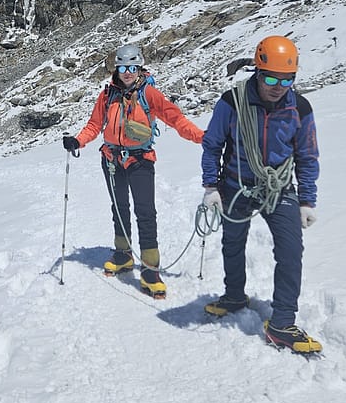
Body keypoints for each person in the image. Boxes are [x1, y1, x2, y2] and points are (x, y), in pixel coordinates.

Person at [200, 35, 322, 353]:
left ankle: (282, 323)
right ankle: (234, 295)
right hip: (236, 184)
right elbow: (213, 145)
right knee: (233, 242)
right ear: (257, 71)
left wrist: (307, 201)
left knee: (290, 250)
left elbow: (307, 155)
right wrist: (211, 186)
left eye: (287, 79)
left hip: (278, 188)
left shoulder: (300, 107)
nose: (277, 86)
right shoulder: (232, 102)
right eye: (270, 77)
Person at [63, 44, 204, 299]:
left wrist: (203, 137)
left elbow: (176, 119)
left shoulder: (149, 94)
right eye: (122, 68)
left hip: (140, 160)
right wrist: (78, 141)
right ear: (116, 69)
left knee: (145, 213)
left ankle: (151, 270)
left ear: (139, 68)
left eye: (132, 68)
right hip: (111, 159)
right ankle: (123, 255)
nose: (127, 73)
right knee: (119, 208)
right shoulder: (107, 96)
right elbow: (95, 125)